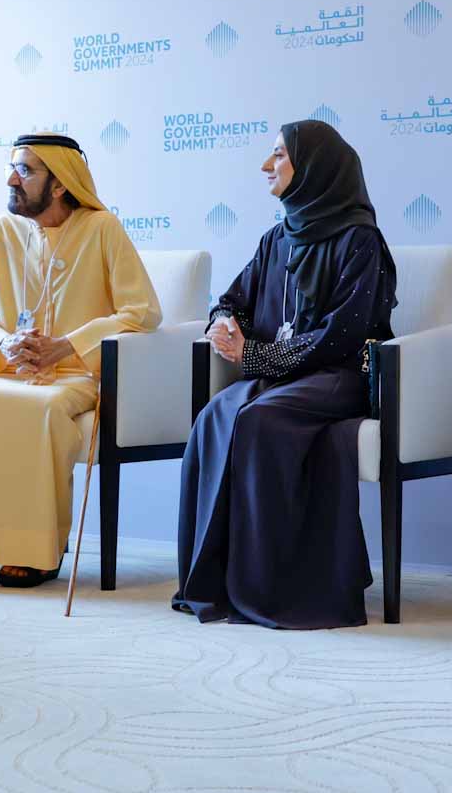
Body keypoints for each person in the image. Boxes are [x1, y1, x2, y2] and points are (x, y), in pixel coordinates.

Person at [173, 119, 397, 628]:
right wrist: (225, 325)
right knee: (215, 416)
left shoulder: (360, 241)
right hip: (282, 376)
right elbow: (231, 300)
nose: (265, 165)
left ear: (314, 167)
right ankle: (214, 582)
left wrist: (254, 356)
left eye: (278, 155)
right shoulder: (276, 239)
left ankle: (273, 589)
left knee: (261, 420)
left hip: (339, 377)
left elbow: (341, 336)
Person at [0, 133, 161, 590]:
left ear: (59, 184)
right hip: (7, 369)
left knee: (44, 407)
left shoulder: (102, 228)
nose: (11, 179)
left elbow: (143, 311)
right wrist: (4, 343)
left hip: (73, 375)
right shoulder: (1, 231)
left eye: (25, 170)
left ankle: (35, 552)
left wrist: (69, 345)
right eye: (12, 168)